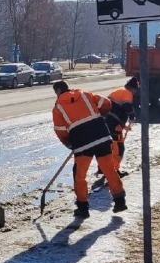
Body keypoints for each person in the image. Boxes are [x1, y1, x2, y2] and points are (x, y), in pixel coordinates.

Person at [51, 81, 127, 219]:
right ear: (68, 87)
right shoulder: (85, 95)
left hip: (82, 144)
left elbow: (60, 130)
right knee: (109, 170)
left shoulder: (58, 108)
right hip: (102, 137)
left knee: (79, 176)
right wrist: (101, 116)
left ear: (57, 92)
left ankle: (83, 208)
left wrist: (69, 143)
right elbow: (106, 103)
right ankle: (120, 201)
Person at [105, 76, 139, 176]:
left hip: (106, 121)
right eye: (135, 91)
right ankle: (115, 171)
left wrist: (124, 126)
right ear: (133, 89)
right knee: (119, 148)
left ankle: (102, 168)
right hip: (114, 124)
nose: (134, 93)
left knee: (107, 146)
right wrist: (132, 116)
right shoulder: (127, 93)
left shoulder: (118, 91)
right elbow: (127, 107)